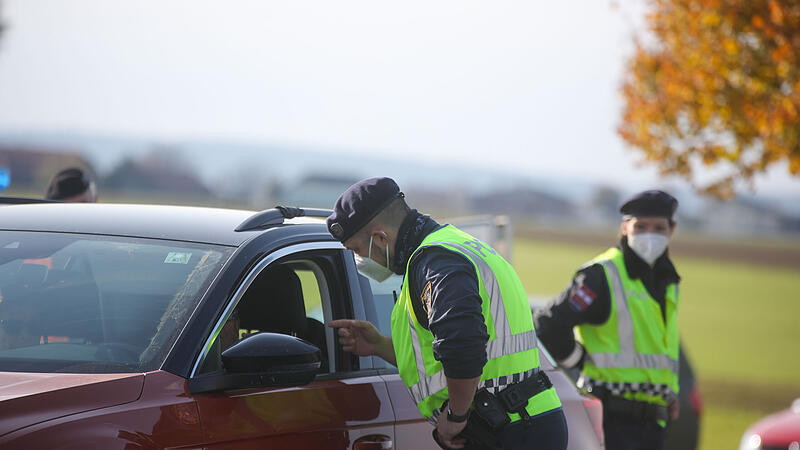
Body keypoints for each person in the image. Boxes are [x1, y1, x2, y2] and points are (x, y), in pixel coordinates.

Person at [327, 177, 568, 450]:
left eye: (357, 251)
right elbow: (444, 357)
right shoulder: (456, 246)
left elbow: (462, 348)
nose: (360, 261)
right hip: (525, 420)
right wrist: (380, 346)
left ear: (380, 238)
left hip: (509, 429)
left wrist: (455, 416)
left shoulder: (436, 263)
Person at [533, 190, 681, 450]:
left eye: (659, 228)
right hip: (610, 418)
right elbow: (548, 324)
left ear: (672, 229)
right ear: (625, 228)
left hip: (654, 422)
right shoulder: (601, 275)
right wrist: (577, 360)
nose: (650, 235)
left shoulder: (668, 279)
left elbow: (659, 345)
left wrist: (670, 393)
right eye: (641, 226)